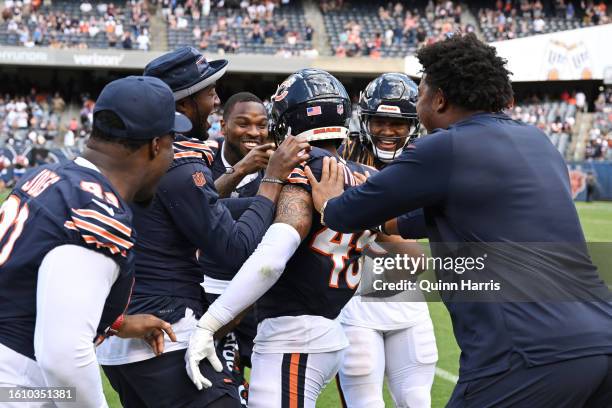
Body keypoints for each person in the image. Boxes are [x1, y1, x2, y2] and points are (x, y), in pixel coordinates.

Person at [309, 33, 612, 407]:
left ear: (438, 99)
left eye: (420, 92)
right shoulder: (538, 140)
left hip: (526, 351)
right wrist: (387, 225)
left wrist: (329, 202)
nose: (418, 101)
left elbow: (346, 213)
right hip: (601, 339)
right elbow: (429, 216)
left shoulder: (443, 147)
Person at [97, 48, 309, 408]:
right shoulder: (178, 164)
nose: (216, 101)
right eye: (209, 91)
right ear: (183, 102)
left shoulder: (140, 158)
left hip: (125, 341)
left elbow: (194, 212)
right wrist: (273, 180)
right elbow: (234, 250)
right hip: (164, 336)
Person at [185, 68, 377, 408]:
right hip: (324, 327)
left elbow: (271, 260)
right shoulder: (366, 175)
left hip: (294, 336)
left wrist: (209, 324)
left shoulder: (304, 169)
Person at [0, 76, 187, 407]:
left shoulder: (49, 177)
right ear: (156, 145)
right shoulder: (96, 211)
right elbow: (63, 359)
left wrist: (115, 323)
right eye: (172, 144)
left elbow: (30, 280)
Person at [336, 73, 437, 408]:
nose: (389, 131)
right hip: (352, 300)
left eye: (399, 123)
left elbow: (415, 260)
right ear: (365, 120)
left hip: (408, 300)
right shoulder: (340, 156)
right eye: (380, 121)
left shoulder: (425, 162)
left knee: (416, 401)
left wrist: (365, 217)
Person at [200, 92, 272, 405]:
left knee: (269, 385)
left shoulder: (279, 163)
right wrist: (241, 170)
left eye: (261, 125)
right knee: (220, 382)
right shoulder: (203, 157)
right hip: (210, 289)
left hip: (260, 292)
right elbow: (197, 204)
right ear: (224, 125)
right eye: (243, 124)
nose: (253, 133)